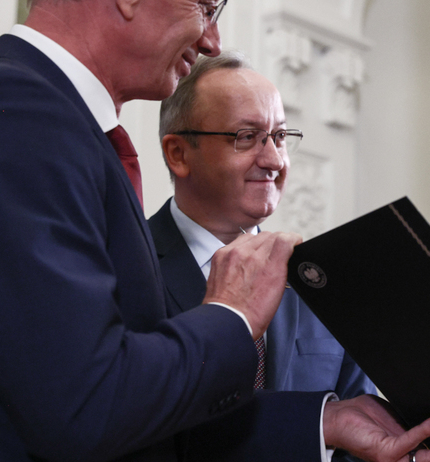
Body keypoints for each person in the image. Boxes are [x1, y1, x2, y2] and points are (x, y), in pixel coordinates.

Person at [0, 0, 430, 461]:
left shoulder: (48, 118)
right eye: (206, 6)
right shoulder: (11, 112)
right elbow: (87, 407)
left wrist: (325, 422)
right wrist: (232, 315)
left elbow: (134, 416)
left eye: (278, 136)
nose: (212, 41)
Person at [148, 52, 377, 460]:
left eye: (280, 136)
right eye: (246, 136)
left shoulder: (322, 278)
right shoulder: (124, 266)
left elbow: (365, 439)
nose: (274, 160)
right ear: (178, 153)